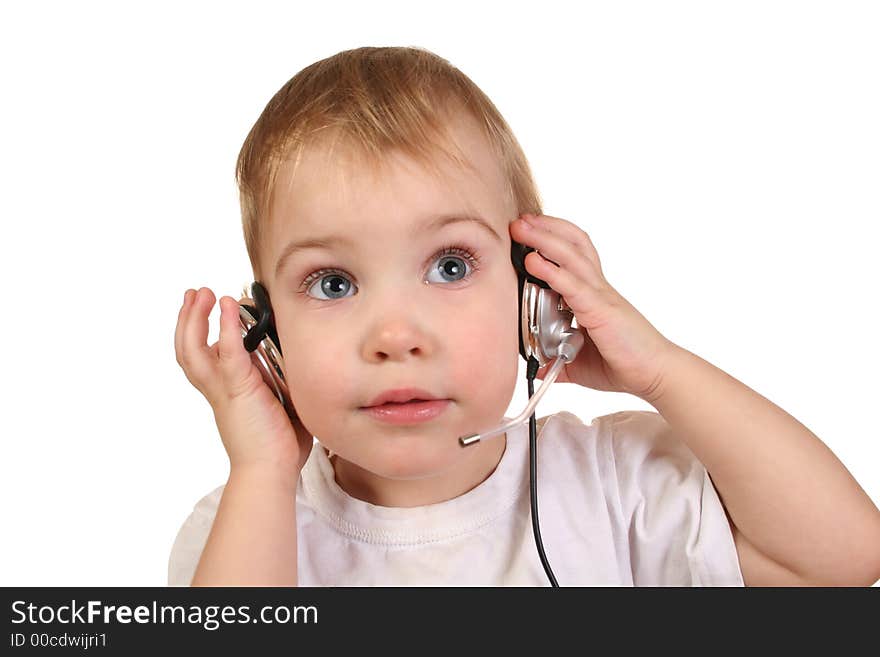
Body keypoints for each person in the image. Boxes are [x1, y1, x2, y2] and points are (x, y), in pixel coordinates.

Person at [170, 46, 880, 587]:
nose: (395, 337)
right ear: (267, 338)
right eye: (332, 282)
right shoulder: (246, 525)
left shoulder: (615, 482)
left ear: (532, 294)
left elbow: (847, 556)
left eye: (449, 265)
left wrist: (660, 370)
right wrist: (261, 468)